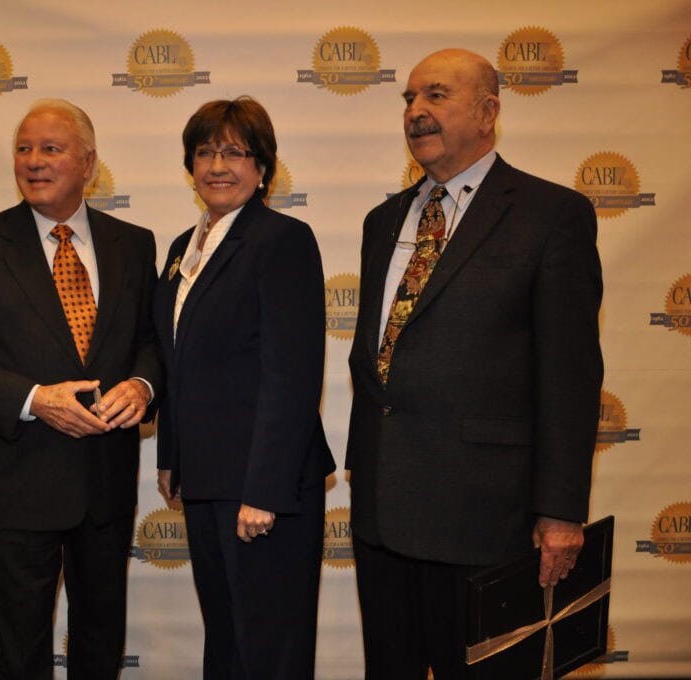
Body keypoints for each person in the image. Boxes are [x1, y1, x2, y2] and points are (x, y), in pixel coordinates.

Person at [345, 48, 604, 678]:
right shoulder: (384, 220)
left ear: (488, 112)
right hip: (383, 514)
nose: (416, 112)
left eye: (436, 95)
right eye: (408, 99)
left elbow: (570, 377)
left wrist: (563, 511)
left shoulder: (551, 216)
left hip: (487, 517)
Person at [0, 98, 161, 680]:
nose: (33, 161)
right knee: (23, 646)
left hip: (106, 482)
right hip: (21, 481)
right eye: (24, 149)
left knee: (101, 638)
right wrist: (34, 399)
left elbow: (153, 341)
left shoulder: (134, 243)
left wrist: (142, 383)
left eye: (51, 149)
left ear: (89, 164)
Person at [154, 96, 335, 680]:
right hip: (206, 481)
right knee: (228, 643)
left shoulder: (281, 239)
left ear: (264, 167)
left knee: (269, 651)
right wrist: (170, 456)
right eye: (204, 152)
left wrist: (265, 490)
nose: (217, 165)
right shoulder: (186, 246)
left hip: (264, 490)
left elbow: (293, 374)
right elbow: (177, 361)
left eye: (235, 152)